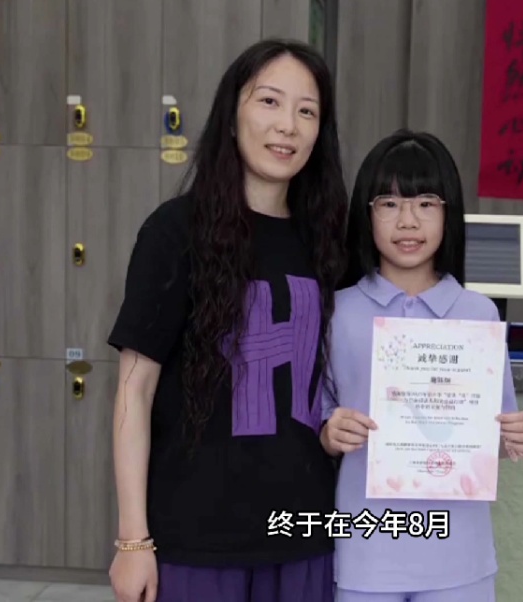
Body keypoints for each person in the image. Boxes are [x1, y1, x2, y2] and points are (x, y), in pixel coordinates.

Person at [105, 38, 348, 602]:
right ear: (232, 115)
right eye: (269, 101)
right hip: (197, 543)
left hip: (304, 536)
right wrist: (133, 540)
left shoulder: (328, 241)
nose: (287, 125)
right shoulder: (174, 232)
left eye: (307, 111)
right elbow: (134, 391)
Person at [320, 130, 523, 602]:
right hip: (366, 554)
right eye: (389, 203)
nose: (408, 221)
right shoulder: (337, 313)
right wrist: (329, 431)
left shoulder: (479, 314)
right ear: (366, 215)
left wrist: (519, 437)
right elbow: (315, 417)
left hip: (460, 556)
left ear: (448, 213)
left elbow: (495, 435)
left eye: (426, 203)